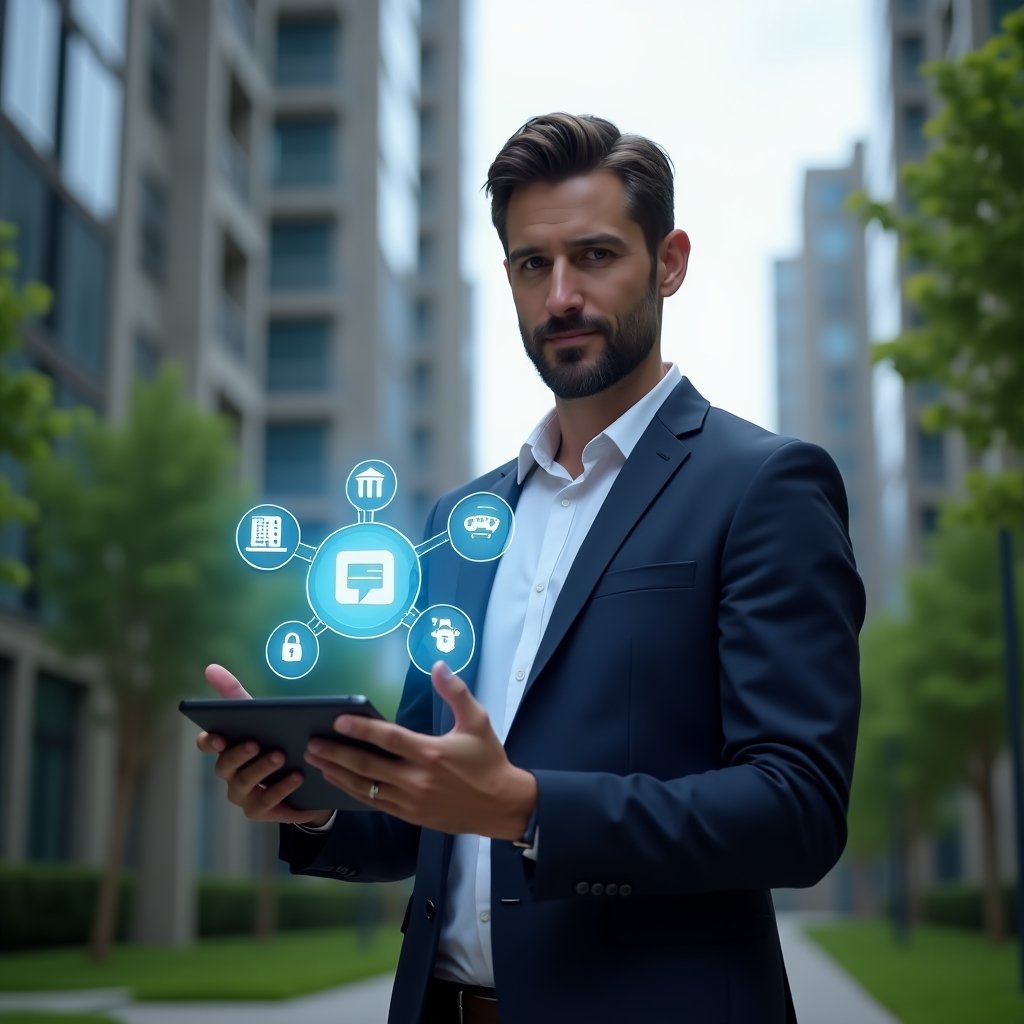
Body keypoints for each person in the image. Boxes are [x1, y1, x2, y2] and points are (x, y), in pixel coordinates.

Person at [198, 113, 864, 1024]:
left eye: (594, 256)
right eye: (530, 264)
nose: (560, 296)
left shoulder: (764, 486)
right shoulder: (464, 522)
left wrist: (530, 807)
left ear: (668, 263)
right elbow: (432, 808)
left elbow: (797, 810)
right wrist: (309, 802)